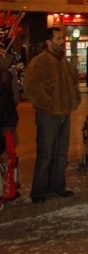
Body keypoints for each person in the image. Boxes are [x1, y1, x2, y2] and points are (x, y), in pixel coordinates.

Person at [24, 27, 80, 203]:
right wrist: (49, 104)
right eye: (58, 38)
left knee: (61, 153)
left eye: (62, 38)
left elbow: (74, 82)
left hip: (64, 113)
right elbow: (31, 88)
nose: (62, 41)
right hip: (48, 115)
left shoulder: (65, 63)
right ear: (48, 42)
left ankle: (58, 186)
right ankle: (39, 191)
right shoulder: (39, 63)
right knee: (45, 154)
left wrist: (74, 99)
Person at [0, 50, 20, 207]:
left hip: (5, 122)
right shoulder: (6, 75)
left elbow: (10, 101)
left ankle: (7, 189)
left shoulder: (6, 75)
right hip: (5, 122)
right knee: (5, 158)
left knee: (6, 158)